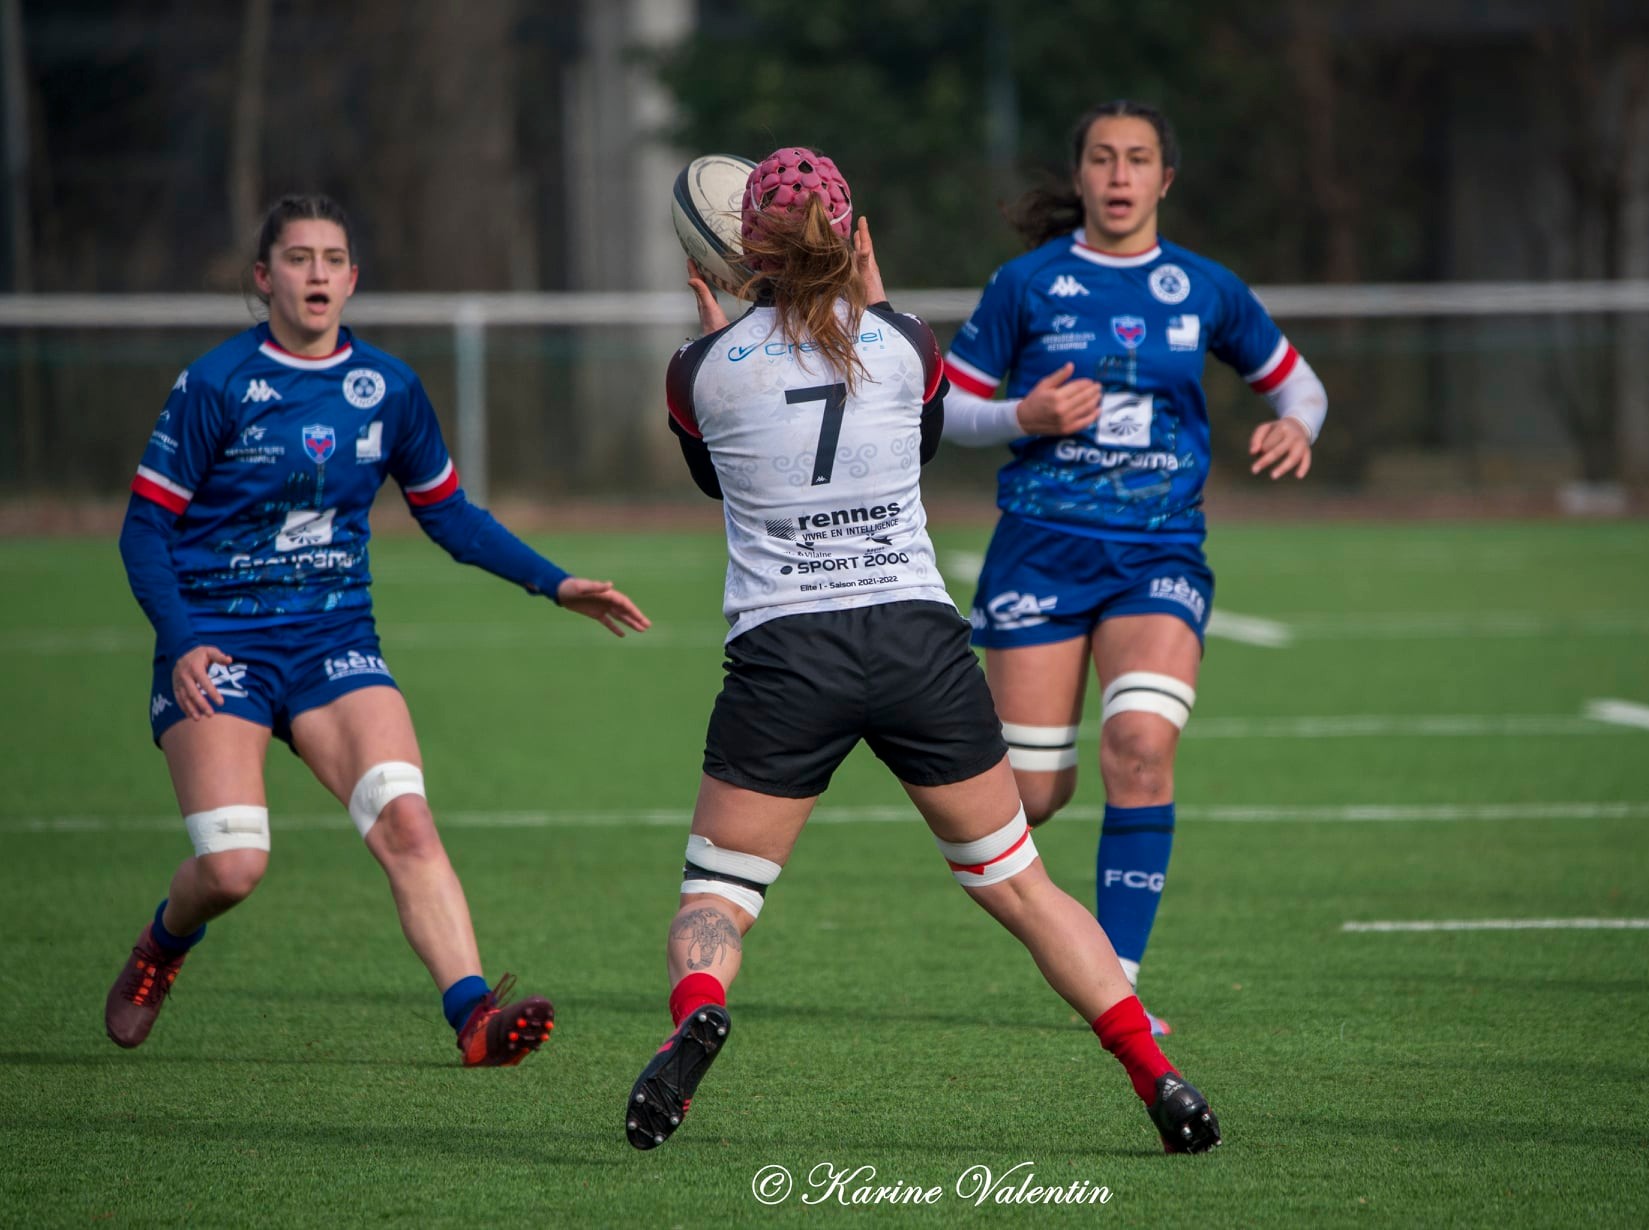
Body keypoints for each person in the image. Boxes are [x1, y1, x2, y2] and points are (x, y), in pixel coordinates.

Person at [623, 147, 1218, 1156]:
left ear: (735, 260)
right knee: (1023, 887)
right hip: (915, 644)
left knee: (717, 897)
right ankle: (1156, 1074)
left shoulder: (696, 374)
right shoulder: (906, 343)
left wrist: (722, 335)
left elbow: (716, 477)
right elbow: (922, 432)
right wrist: (874, 306)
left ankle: (697, 1016)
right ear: (855, 240)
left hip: (786, 653)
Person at [108, 193, 651, 1065]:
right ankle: (163, 945)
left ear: (353, 279)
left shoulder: (389, 389)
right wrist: (179, 640)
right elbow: (144, 528)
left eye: (332, 259)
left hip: (333, 646)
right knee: (233, 868)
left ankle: (474, 1018)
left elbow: (452, 517)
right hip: (218, 641)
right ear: (263, 277)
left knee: (407, 822)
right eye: (296, 257)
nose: (316, 273)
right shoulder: (217, 383)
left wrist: (555, 582)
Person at [939, 101, 1330, 1036]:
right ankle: (1055, 879)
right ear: (1079, 177)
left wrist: (1293, 423)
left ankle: (1116, 979)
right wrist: (1021, 419)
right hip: (1040, 546)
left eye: (1139, 159)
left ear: (1166, 180)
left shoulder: (1204, 288)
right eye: (1103, 158)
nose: (1120, 176)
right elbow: (947, 407)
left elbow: (1297, 382)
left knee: (1142, 749)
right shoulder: (1026, 285)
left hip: (1159, 552)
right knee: (1031, 793)